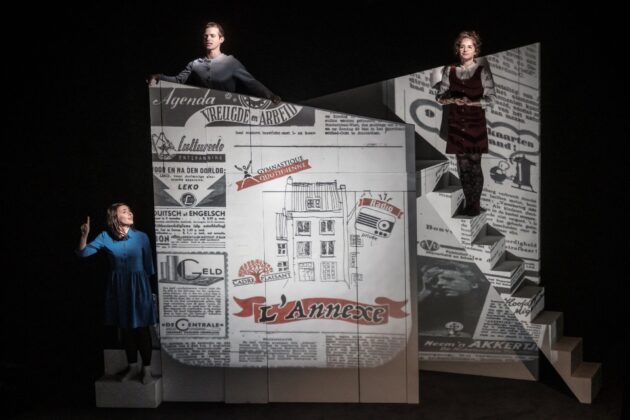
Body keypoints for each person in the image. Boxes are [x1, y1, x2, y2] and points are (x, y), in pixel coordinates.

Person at [77, 203, 157, 385]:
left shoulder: (141, 237)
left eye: (130, 210)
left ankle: (146, 370)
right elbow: (83, 254)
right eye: (124, 211)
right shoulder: (105, 236)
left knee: (142, 329)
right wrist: (84, 235)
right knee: (125, 329)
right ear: (115, 216)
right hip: (119, 288)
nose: (130, 213)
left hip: (140, 287)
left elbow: (149, 266)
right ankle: (132, 367)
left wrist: (149, 293)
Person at [436, 30, 496, 216]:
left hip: (475, 124)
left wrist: (472, 102)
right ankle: (468, 203)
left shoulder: (482, 71)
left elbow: (491, 99)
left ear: (475, 50)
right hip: (456, 124)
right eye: (462, 46)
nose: (465, 49)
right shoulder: (450, 70)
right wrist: (452, 100)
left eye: (469, 46)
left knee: (474, 166)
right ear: (458, 49)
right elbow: (439, 97)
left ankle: (474, 205)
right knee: (462, 167)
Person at [149, 22, 280, 102]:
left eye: (212, 36)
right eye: (205, 36)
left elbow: (251, 83)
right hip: (203, 115)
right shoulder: (195, 64)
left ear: (221, 39)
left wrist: (271, 96)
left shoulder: (231, 62)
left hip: (227, 113)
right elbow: (178, 80)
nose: (208, 38)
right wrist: (159, 77)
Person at [418, 259, 487, 337]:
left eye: (449, 279)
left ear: (474, 284)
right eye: (436, 280)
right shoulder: (436, 302)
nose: (439, 283)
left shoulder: (484, 305)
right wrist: (426, 291)